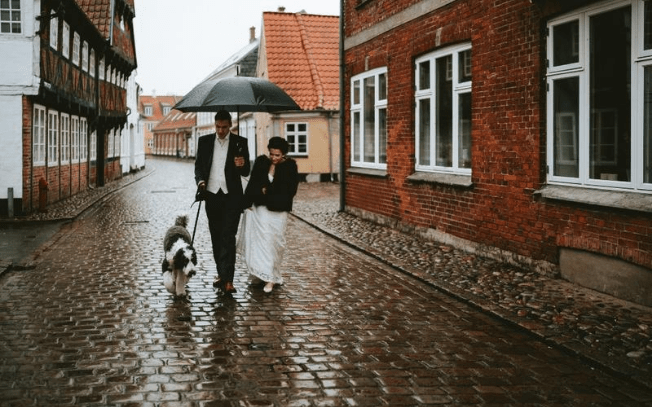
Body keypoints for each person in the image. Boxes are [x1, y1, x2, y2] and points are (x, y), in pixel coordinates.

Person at [195, 110, 250, 294]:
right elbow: (198, 166)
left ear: (230, 125)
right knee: (216, 237)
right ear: (214, 124)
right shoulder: (204, 142)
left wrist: (242, 165)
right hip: (211, 195)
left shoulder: (240, 143)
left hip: (232, 197)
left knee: (228, 236)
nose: (220, 131)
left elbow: (246, 171)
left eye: (224, 127)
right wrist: (200, 181)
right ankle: (221, 273)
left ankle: (228, 280)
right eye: (217, 127)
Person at [238, 137, 299, 293]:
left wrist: (268, 191)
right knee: (262, 242)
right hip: (261, 209)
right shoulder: (261, 162)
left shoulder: (290, 167)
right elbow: (254, 183)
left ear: (284, 154)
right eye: (272, 154)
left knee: (275, 243)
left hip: (278, 211)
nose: (274, 158)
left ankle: (273, 275)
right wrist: (248, 201)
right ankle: (264, 276)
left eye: (277, 155)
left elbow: (289, 190)